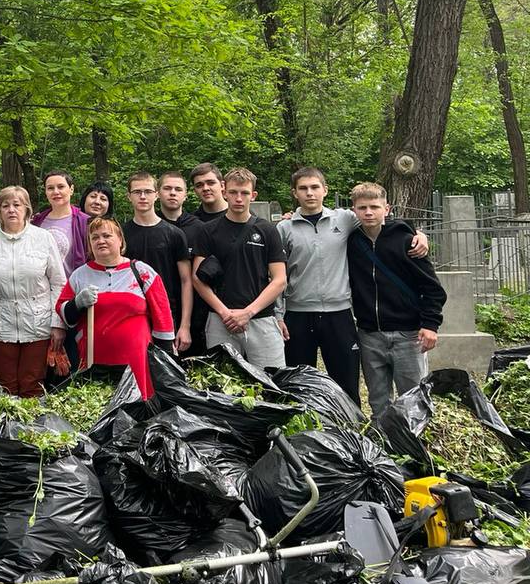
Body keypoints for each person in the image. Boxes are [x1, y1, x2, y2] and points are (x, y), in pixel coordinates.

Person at [277, 167, 429, 402]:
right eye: (303, 188)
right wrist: (278, 314)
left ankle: (349, 429)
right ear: (294, 193)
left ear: (325, 190)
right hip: (298, 314)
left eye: (315, 187)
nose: (310, 193)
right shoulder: (283, 228)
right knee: (299, 382)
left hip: (339, 315)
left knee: (346, 383)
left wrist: (418, 233)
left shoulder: (345, 219)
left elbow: (381, 222)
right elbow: (275, 274)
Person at [346, 182, 446, 415]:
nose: (369, 212)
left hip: (407, 334)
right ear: (354, 211)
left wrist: (430, 324)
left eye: (374, 207)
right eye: (362, 208)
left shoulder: (406, 241)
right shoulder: (351, 242)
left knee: (414, 400)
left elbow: (432, 288)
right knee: (378, 400)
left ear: (387, 209)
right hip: (370, 334)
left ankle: (415, 445)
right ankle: (384, 444)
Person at [55, 216, 173, 398]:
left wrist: (164, 360)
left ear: (120, 240)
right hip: (95, 362)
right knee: (98, 410)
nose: (100, 241)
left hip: (137, 361)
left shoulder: (142, 272)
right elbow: (64, 315)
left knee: (138, 408)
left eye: (107, 236)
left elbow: (163, 318)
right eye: (94, 237)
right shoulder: (80, 275)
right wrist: (77, 303)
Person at [0, 186, 67, 398]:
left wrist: (57, 323)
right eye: (5, 205)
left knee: (32, 384)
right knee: (6, 386)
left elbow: (59, 283)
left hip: (38, 323)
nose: (11, 210)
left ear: (26, 209)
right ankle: (8, 429)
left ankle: (32, 429)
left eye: (17, 205)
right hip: (0, 325)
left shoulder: (43, 238)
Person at [191, 168, 287, 368]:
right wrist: (225, 313)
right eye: (233, 192)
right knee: (223, 385)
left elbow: (279, 280)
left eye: (244, 193)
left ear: (253, 195)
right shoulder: (208, 231)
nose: (238, 198)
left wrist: (248, 312)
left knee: (272, 383)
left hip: (261, 319)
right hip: (220, 320)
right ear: (225, 192)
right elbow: (197, 278)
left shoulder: (267, 230)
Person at [123, 172, 193, 353]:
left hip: (167, 313)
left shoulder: (174, 234)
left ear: (156, 194)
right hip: (131, 314)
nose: (143, 196)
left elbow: (186, 281)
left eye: (147, 191)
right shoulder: (120, 234)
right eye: (137, 192)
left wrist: (185, 326)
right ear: (128, 196)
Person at [158, 170, 209, 354]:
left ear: (185, 195)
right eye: (167, 188)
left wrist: (186, 325)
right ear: (158, 192)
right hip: (159, 308)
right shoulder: (149, 225)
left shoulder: (199, 228)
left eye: (178, 189)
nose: (172, 193)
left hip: (194, 313)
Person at [31, 170, 90, 274]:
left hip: (74, 286)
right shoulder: (37, 221)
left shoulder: (85, 222)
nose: (55, 192)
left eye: (61, 187)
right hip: (43, 287)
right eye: (50, 188)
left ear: (71, 189)